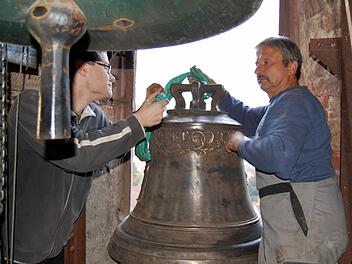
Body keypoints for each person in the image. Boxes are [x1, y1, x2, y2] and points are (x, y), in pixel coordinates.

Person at [3, 50, 168, 263]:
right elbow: (78, 152)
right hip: (18, 252)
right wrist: (138, 121)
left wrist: (145, 112)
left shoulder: (93, 117)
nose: (113, 77)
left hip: (54, 249)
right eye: (107, 68)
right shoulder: (31, 106)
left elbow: (117, 145)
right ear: (83, 68)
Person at [197, 36, 348, 263]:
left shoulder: (295, 104)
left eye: (267, 62)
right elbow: (248, 117)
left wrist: (241, 143)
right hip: (294, 219)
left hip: (305, 221)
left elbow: (279, 157)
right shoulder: (281, 105)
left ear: (292, 67)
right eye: (257, 63)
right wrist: (220, 94)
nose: (259, 69)